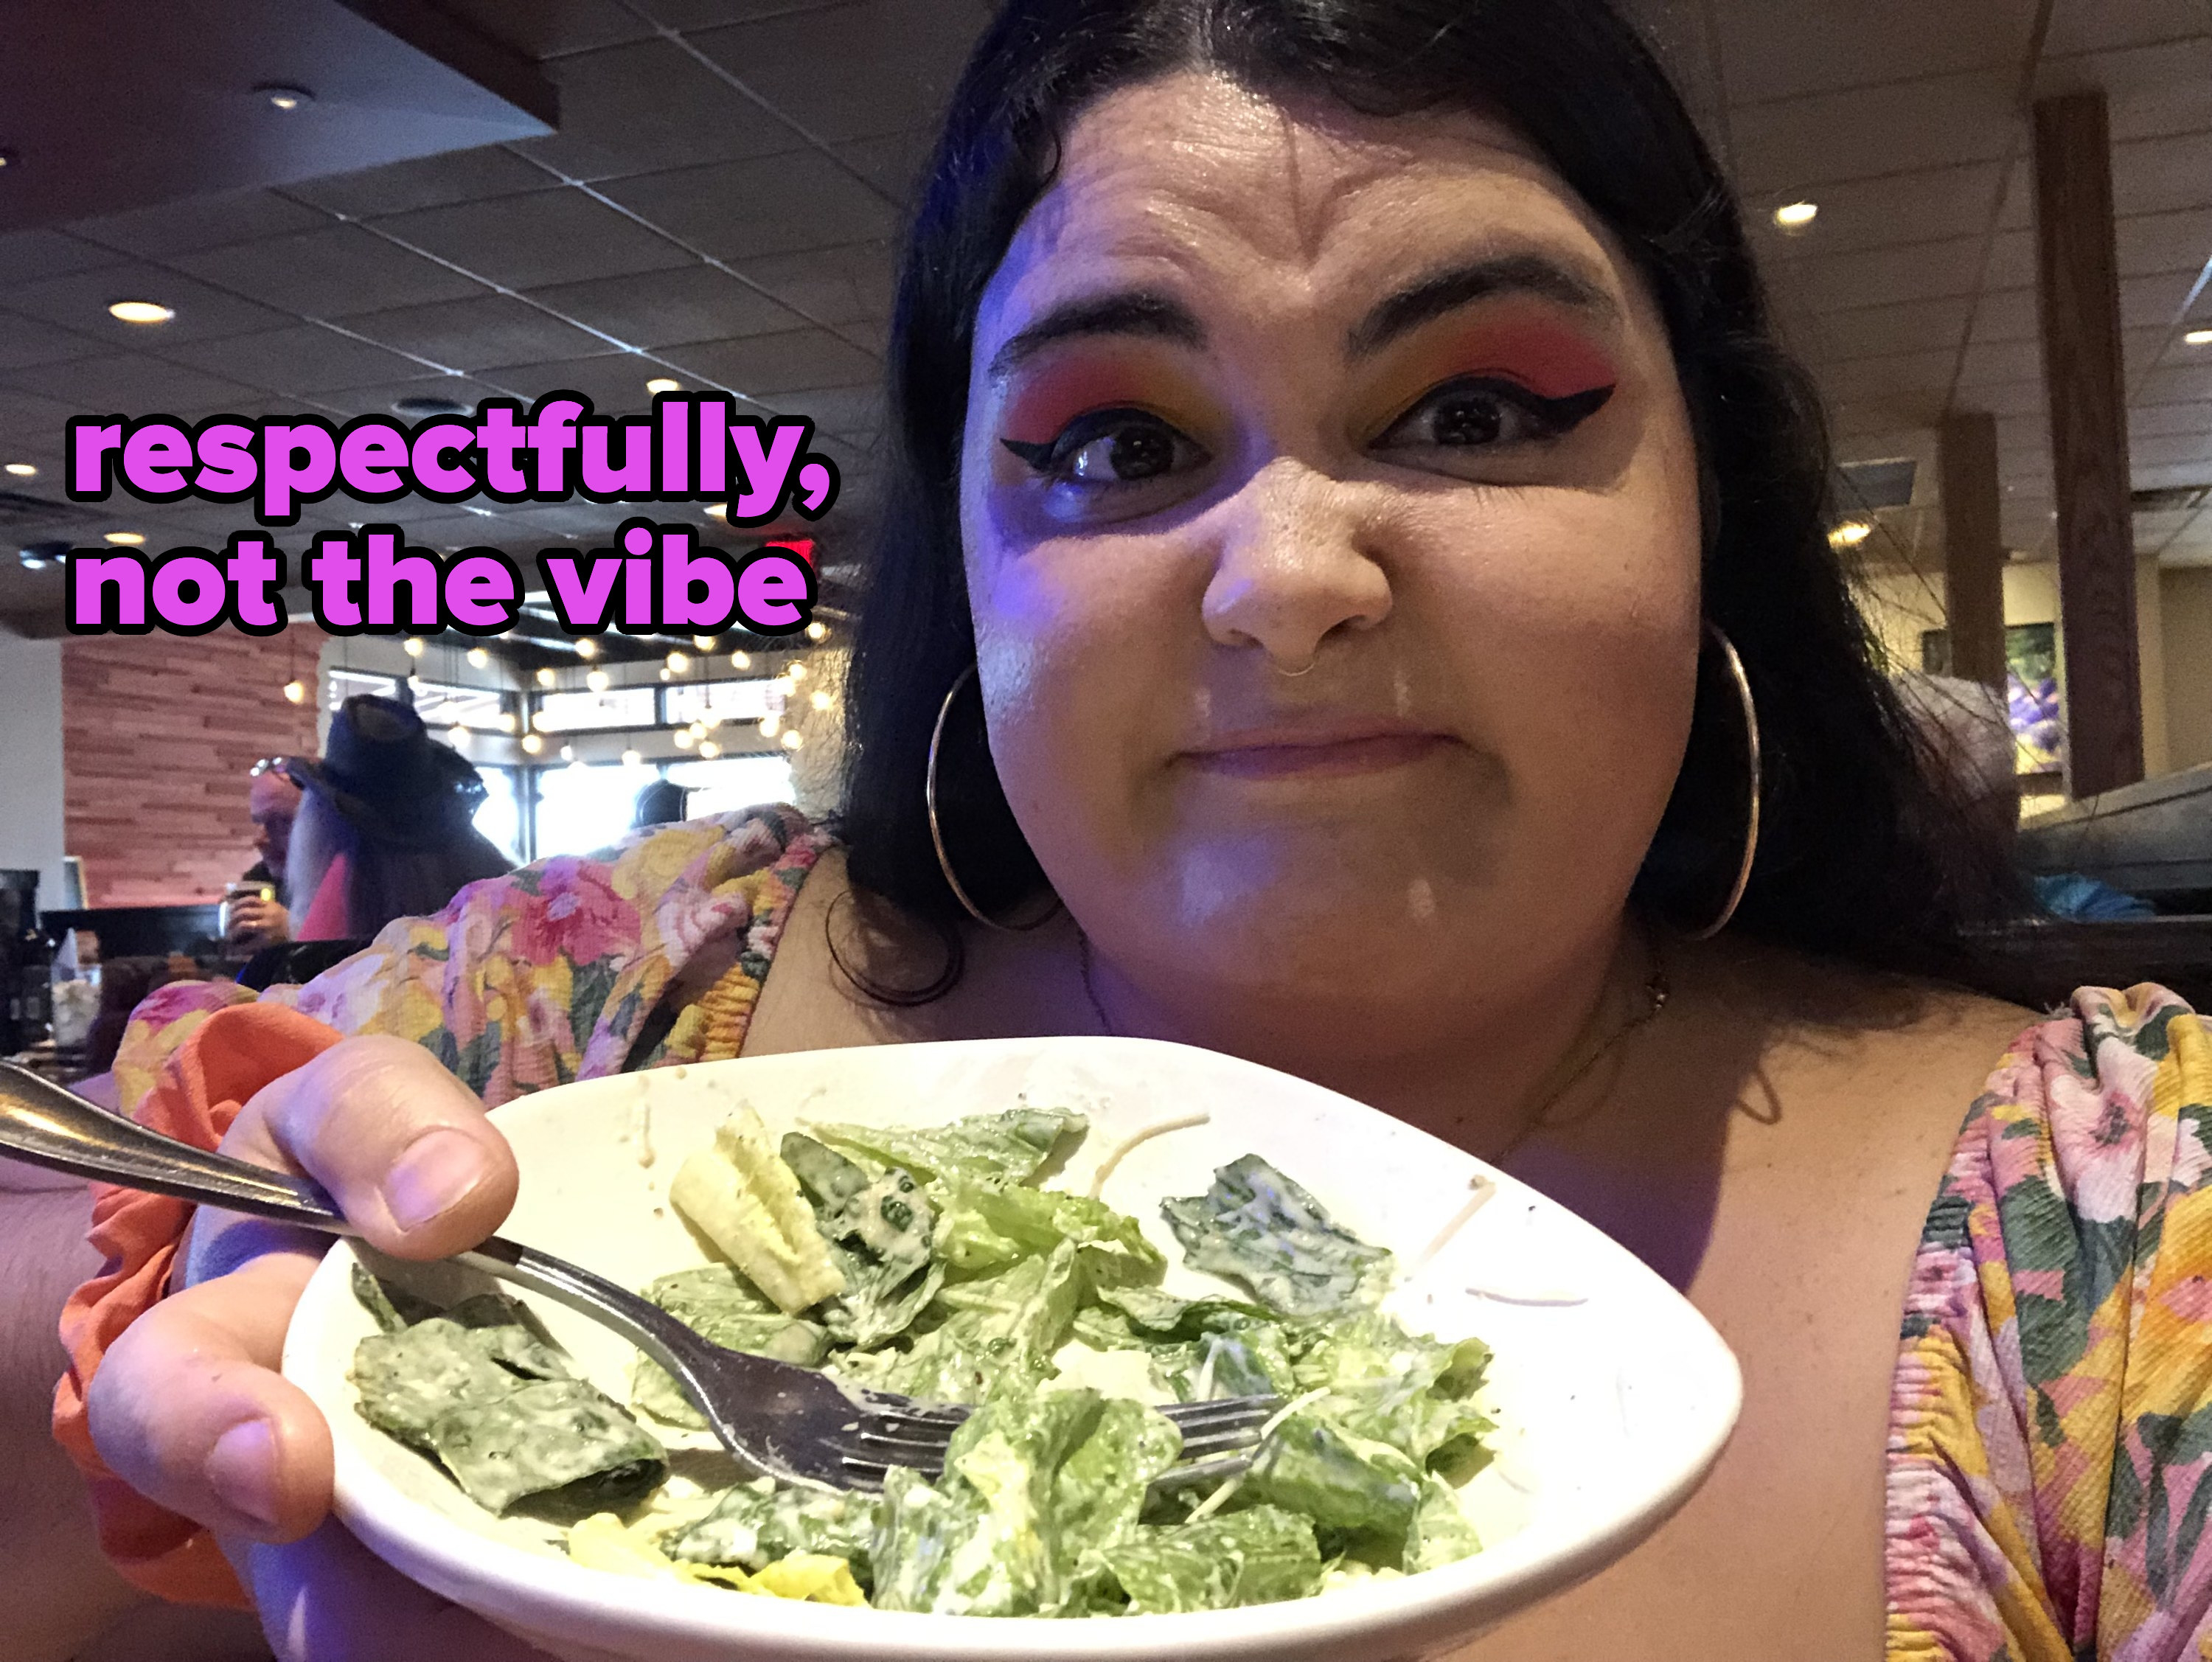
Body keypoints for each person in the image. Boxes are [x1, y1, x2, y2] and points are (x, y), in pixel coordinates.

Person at [6, 3, 2205, 1658]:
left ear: (1702, 503)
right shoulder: (587, 1014)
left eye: (1471, 408)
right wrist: (169, 1365)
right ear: (965, 559)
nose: (1288, 575)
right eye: (1117, 441)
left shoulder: (2116, 1234)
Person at [231, 697, 515, 992]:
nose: (263, 837)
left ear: (320, 817)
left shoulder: (345, 881)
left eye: (283, 821)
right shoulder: (490, 875)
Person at [220, 762, 301, 956]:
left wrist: (294, 929)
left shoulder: (355, 879)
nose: (260, 840)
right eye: (259, 822)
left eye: (281, 822)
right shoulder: (260, 878)